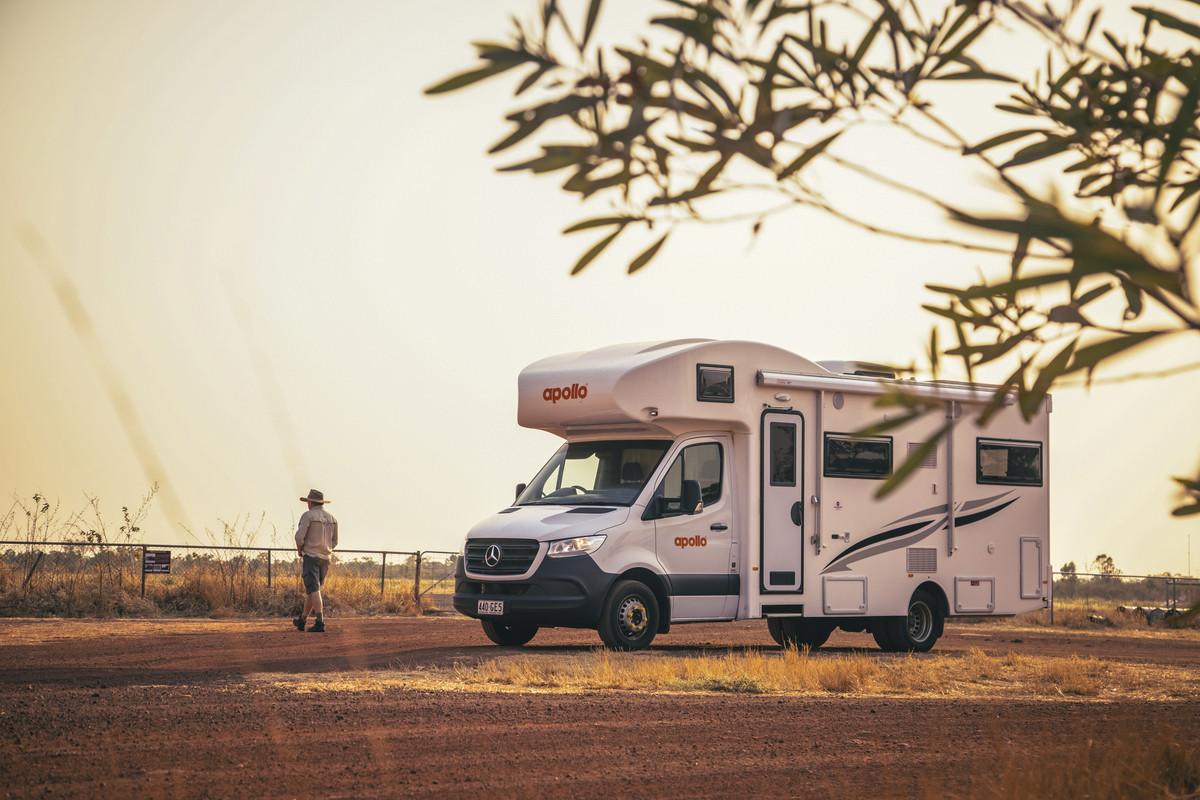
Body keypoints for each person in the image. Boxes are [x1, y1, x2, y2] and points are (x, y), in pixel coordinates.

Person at [293, 488, 338, 633]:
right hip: (326, 557)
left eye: (308, 502)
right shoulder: (332, 518)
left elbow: (299, 537)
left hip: (311, 555)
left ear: (311, 502)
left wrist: (300, 550)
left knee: (314, 589)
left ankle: (320, 622)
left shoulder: (308, 516)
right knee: (313, 591)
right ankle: (302, 620)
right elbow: (335, 541)